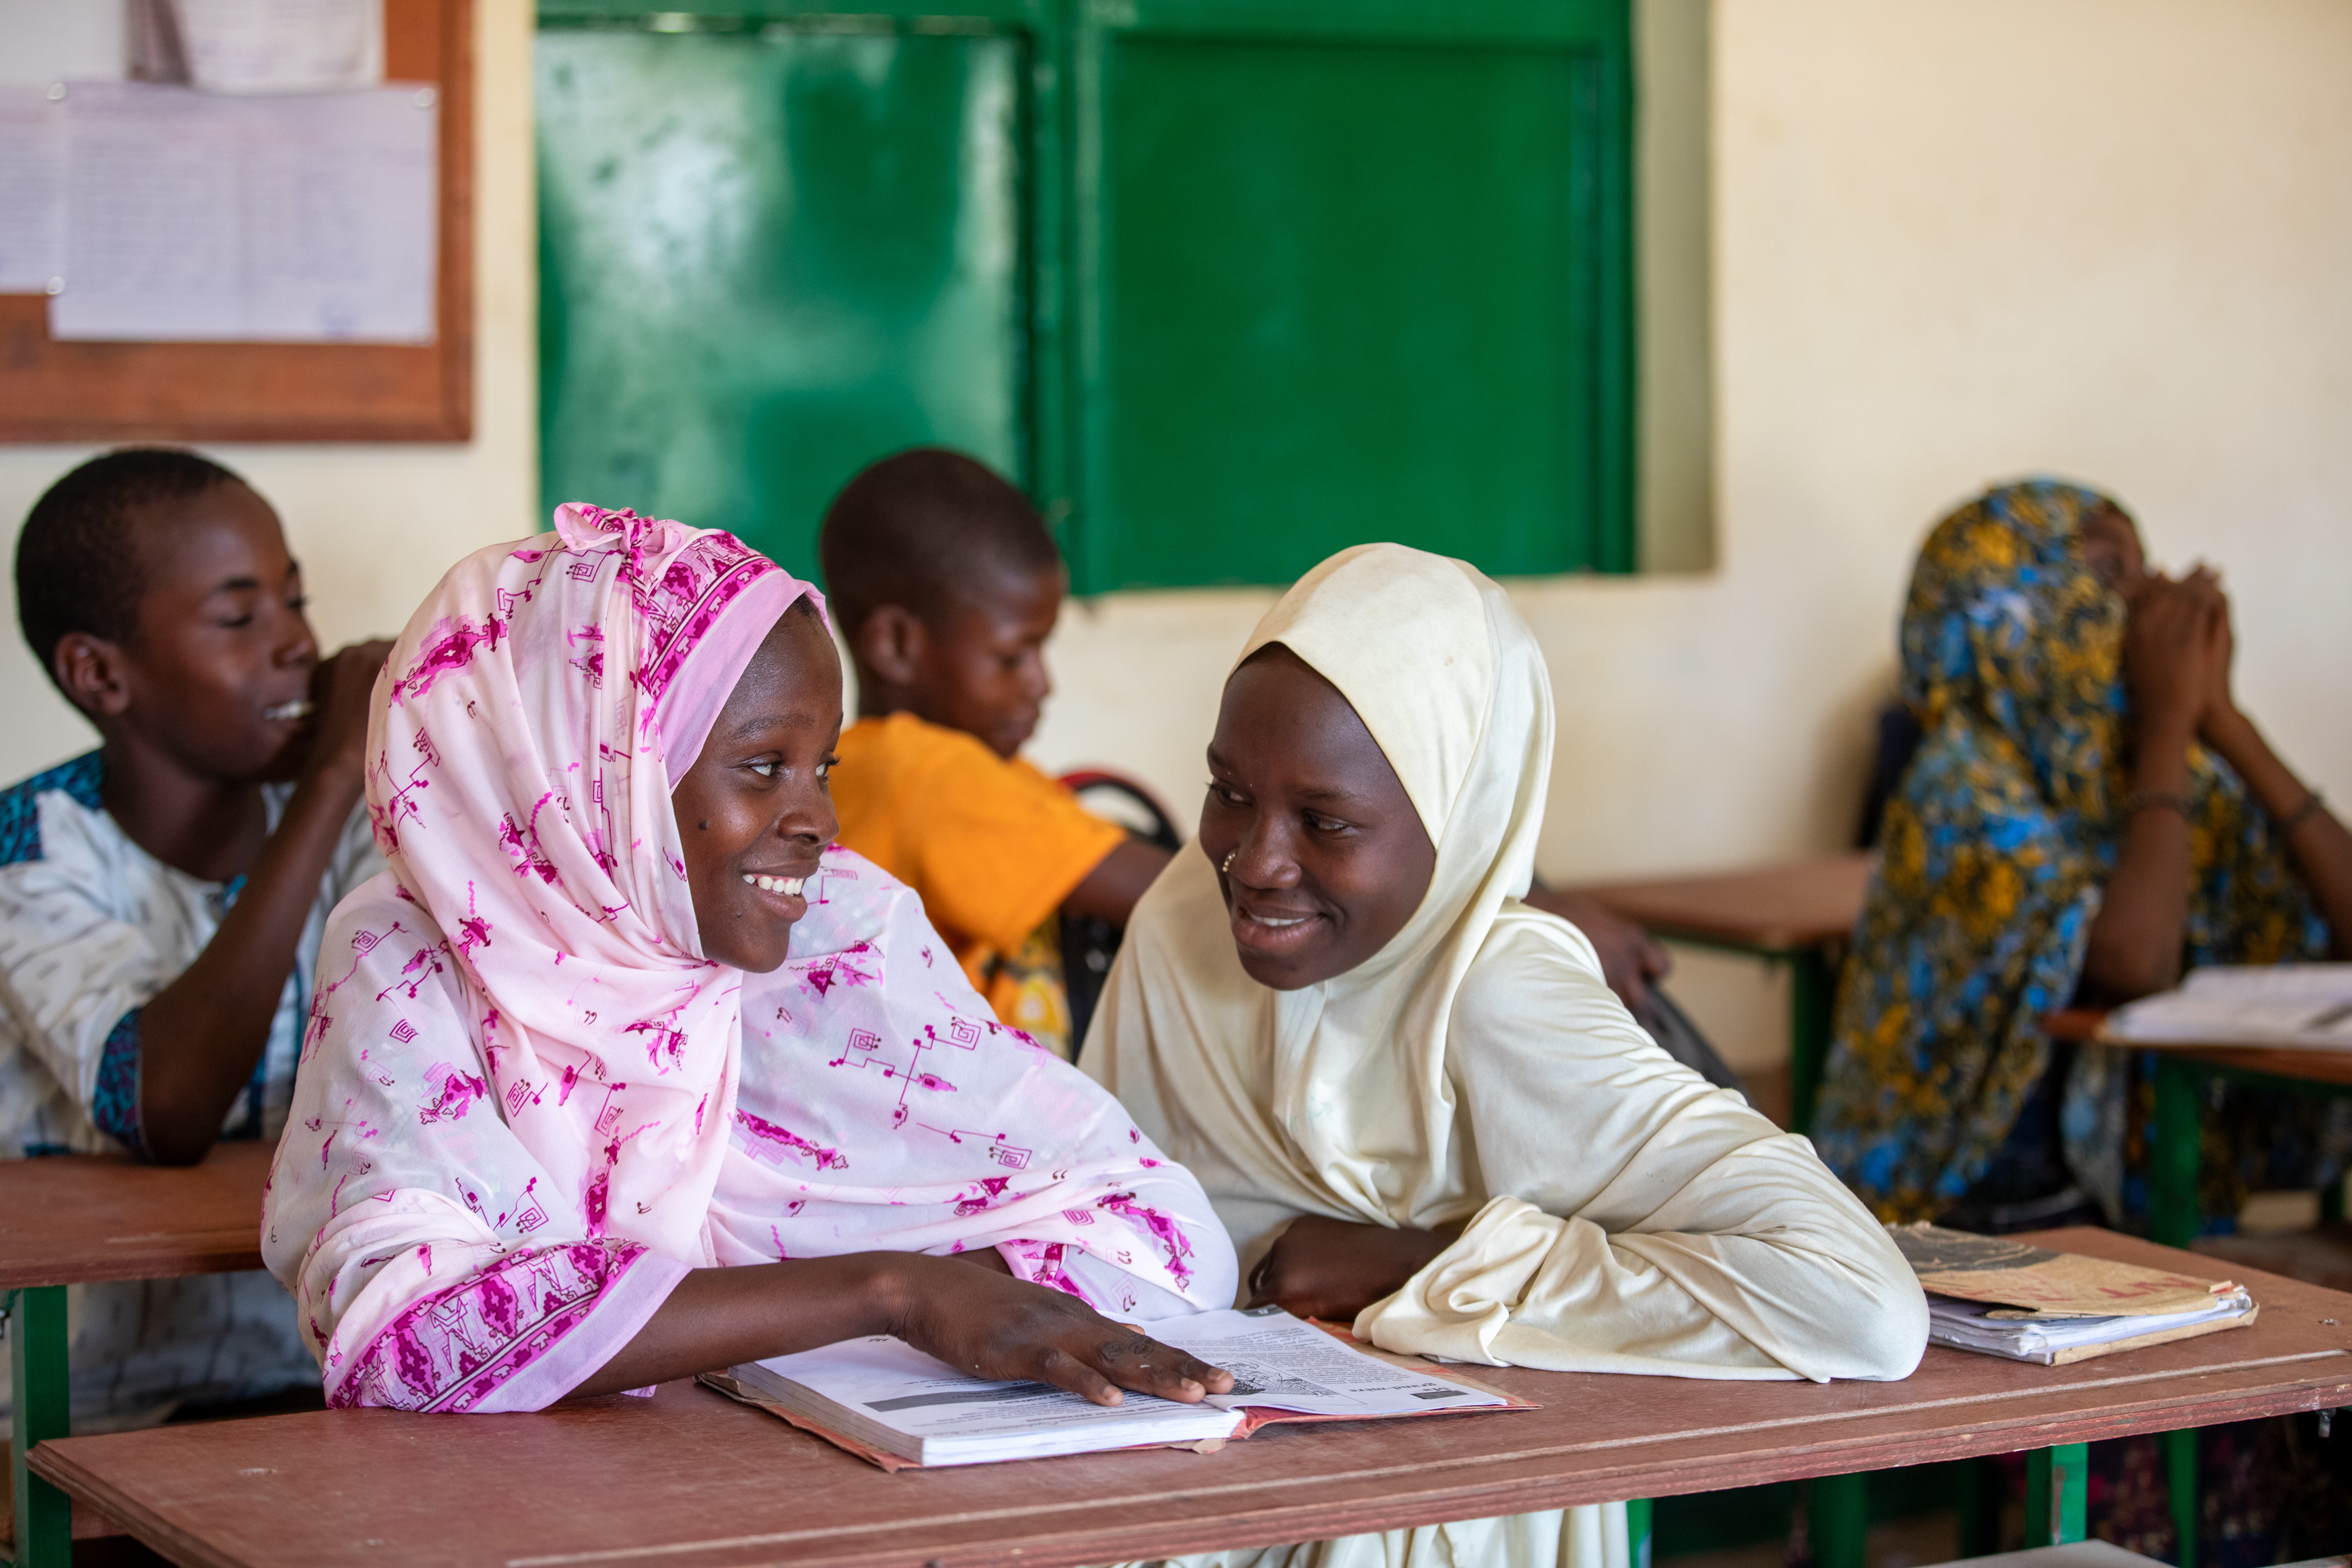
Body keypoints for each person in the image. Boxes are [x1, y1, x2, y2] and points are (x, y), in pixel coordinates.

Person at [260, 502, 1238, 1413]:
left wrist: (933, 1302)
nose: (815, 819)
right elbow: (408, 1337)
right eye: (764, 767)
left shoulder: (833, 932)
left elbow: (1160, 1234)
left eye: (823, 770)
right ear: (593, 779)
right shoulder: (421, 954)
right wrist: (892, 1290)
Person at [1084, 543, 1926, 1568]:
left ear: (1464, 822)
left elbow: (1859, 1303)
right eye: (1228, 792)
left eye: (1325, 820)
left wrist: (1422, 1269)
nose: (1253, 862)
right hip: (1186, 1500)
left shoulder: (1498, 994)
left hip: (1435, 1524)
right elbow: (1100, 1223)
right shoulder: (1180, 923)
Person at [1813, 480, 2352, 1233]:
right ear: (2010, 608)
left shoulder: (2135, 768)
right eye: (2109, 571)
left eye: (2143, 565)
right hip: (1970, 1213)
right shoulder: (1961, 785)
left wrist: (2221, 717)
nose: (2151, 596)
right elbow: (2134, 965)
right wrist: (2170, 723)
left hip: (2126, 1189)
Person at [1, 448, 387, 1428]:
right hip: (79, 1404)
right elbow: (161, 1104)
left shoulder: (368, 831)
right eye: (238, 616)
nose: (298, 643)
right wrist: (336, 771)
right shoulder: (28, 852)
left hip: (319, 1384)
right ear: (100, 673)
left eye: (294, 602)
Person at [818, 448, 1170, 1058]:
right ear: (897, 645)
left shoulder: (924, 770)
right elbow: (1180, 899)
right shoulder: (922, 774)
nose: (1041, 683)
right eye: (1012, 656)